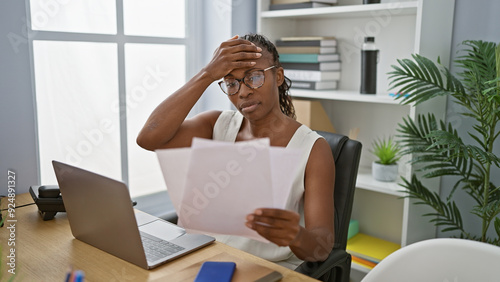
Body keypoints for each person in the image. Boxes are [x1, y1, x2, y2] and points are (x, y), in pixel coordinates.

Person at [136, 33, 335, 269]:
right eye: (231, 83)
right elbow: (148, 138)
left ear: (278, 76)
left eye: (254, 77)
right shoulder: (215, 125)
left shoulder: (313, 149)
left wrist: (296, 235)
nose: (243, 92)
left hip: (265, 269)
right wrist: (207, 74)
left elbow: (322, 247)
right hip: (207, 260)